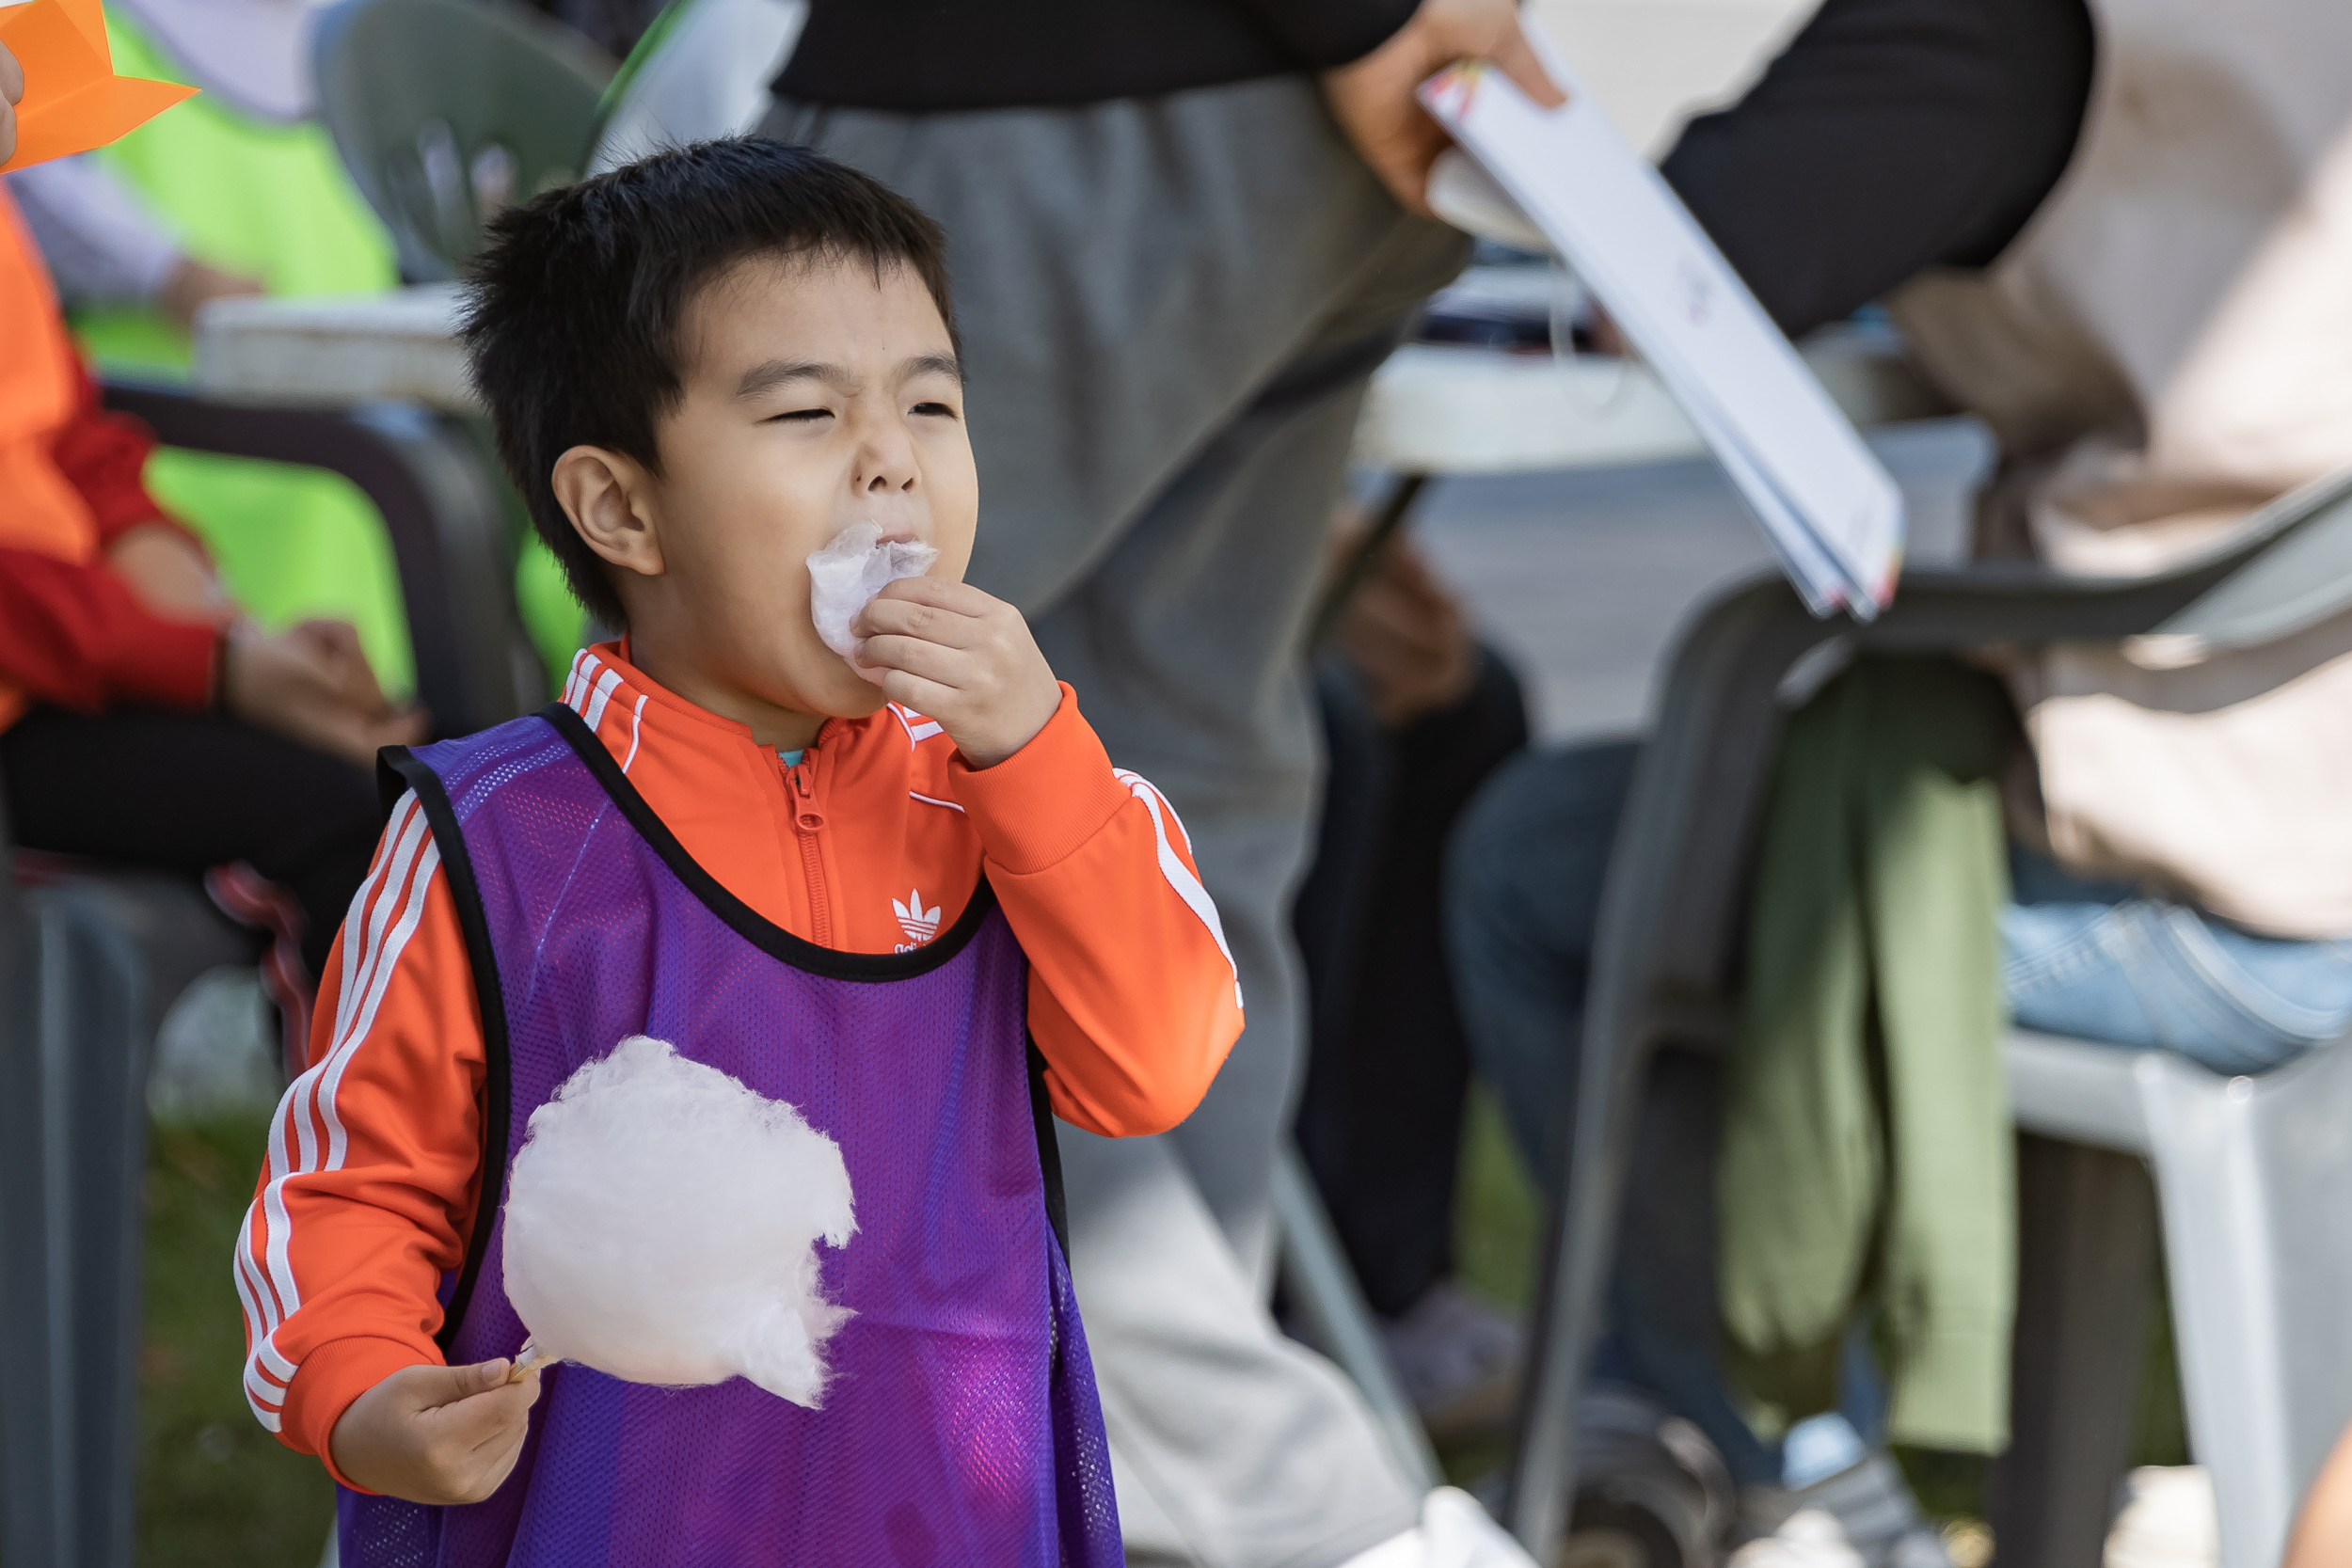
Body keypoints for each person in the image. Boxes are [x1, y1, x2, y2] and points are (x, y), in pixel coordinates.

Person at [233, 139, 1248, 1563]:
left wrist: (1035, 756)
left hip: (951, 1513)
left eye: (932, 403)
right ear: (621, 509)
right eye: (807, 412)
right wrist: (363, 1389)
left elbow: (1158, 1061)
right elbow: (347, 1185)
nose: (892, 456)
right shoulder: (494, 841)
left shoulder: (1017, 794)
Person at [760, 4, 1565, 1560]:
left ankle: (1284, 1507)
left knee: (802, 774)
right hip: (1362, 108)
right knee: (1157, 757)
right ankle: (1189, 1495)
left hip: (1139, 77)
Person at [0, 42, 417, 1052]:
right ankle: (360, 1194)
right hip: (26, 718)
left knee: (429, 774)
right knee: (351, 817)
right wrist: (216, 670)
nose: (23, 80)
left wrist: (225, 623)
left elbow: (70, 437)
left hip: (69, 669)